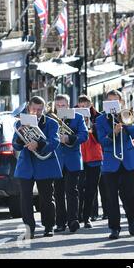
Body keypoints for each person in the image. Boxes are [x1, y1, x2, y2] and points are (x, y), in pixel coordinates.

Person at [12, 96, 62, 238]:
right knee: (25, 199)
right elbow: (15, 145)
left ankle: (48, 226)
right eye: (34, 109)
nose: (37, 112)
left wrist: (38, 144)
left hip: (45, 164)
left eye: (40, 109)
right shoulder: (19, 123)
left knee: (46, 198)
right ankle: (29, 229)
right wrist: (21, 139)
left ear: (44, 109)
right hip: (26, 165)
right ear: (29, 108)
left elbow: (54, 142)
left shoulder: (51, 123)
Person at [96, 90, 134, 239]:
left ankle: (131, 219)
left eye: (116, 101)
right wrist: (113, 133)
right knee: (111, 197)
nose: (113, 104)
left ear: (121, 102)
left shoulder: (127, 114)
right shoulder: (101, 119)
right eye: (110, 101)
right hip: (110, 163)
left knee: (129, 194)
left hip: (127, 161)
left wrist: (125, 122)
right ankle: (114, 227)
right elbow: (102, 141)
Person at [53, 94, 89, 233]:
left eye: (63, 105)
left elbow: (84, 136)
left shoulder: (78, 117)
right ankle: (60, 222)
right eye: (58, 106)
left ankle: (73, 220)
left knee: (72, 191)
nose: (61, 108)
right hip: (57, 160)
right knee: (58, 192)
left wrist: (69, 138)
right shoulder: (51, 119)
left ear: (68, 105)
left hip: (73, 159)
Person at [76, 95, 103, 229]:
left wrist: (92, 125)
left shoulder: (98, 117)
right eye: (80, 106)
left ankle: (87, 217)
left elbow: (100, 139)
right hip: (79, 156)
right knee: (79, 188)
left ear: (90, 105)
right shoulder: (72, 116)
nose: (82, 108)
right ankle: (78, 216)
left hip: (94, 156)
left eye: (85, 106)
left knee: (91, 189)